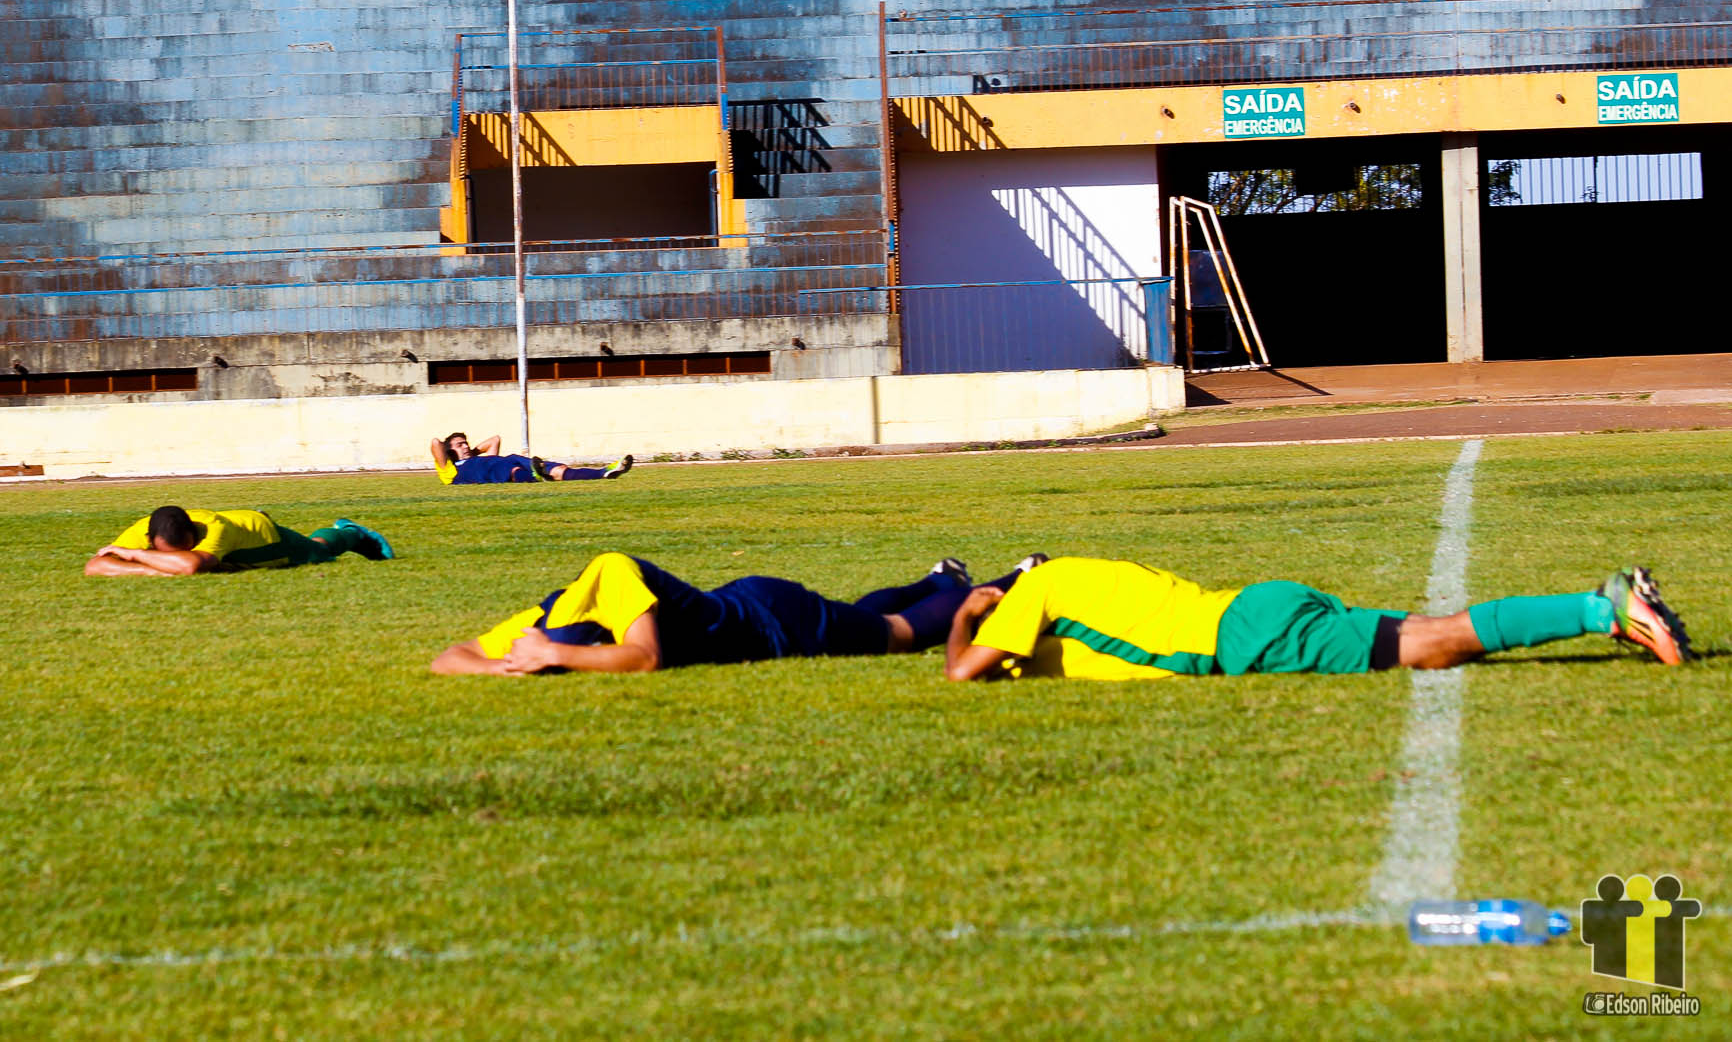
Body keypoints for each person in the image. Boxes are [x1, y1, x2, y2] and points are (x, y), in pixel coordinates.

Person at [944, 557, 1693, 682]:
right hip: (1254, 609)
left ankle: (1606, 607)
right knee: (1433, 640)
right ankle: (1606, 600)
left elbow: (962, 671)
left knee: (1437, 641)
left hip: (1248, 636)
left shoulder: (1027, 600)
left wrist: (970, 609)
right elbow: (1031, 662)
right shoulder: (1064, 585)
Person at [431, 553, 1043, 675]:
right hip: (747, 601)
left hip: (774, 620)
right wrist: (499, 666)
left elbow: (644, 659)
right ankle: (938, 578)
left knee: (896, 635)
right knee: (857, 614)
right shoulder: (549, 611)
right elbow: (446, 659)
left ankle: (1015, 579)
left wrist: (555, 656)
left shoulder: (612, 574)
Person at [84, 505, 394, 576]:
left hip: (263, 539)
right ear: (150, 539)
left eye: (186, 547)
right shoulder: (143, 529)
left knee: (321, 550)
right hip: (242, 535)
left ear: (195, 534)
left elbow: (191, 566)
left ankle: (351, 531)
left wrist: (135, 556)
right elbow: (94, 566)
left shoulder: (214, 528)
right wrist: (151, 567)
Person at [430, 432, 631, 485]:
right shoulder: (450, 470)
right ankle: (537, 474)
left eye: (466, 442)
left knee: (559, 471)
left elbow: (494, 440)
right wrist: (452, 452)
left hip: (510, 460)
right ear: (449, 451)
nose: (465, 446)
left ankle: (604, 472)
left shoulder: (474, 457)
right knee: (517, 473)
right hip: (499, 472)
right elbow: (435, 442)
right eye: (460, 444)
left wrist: (471, 451)